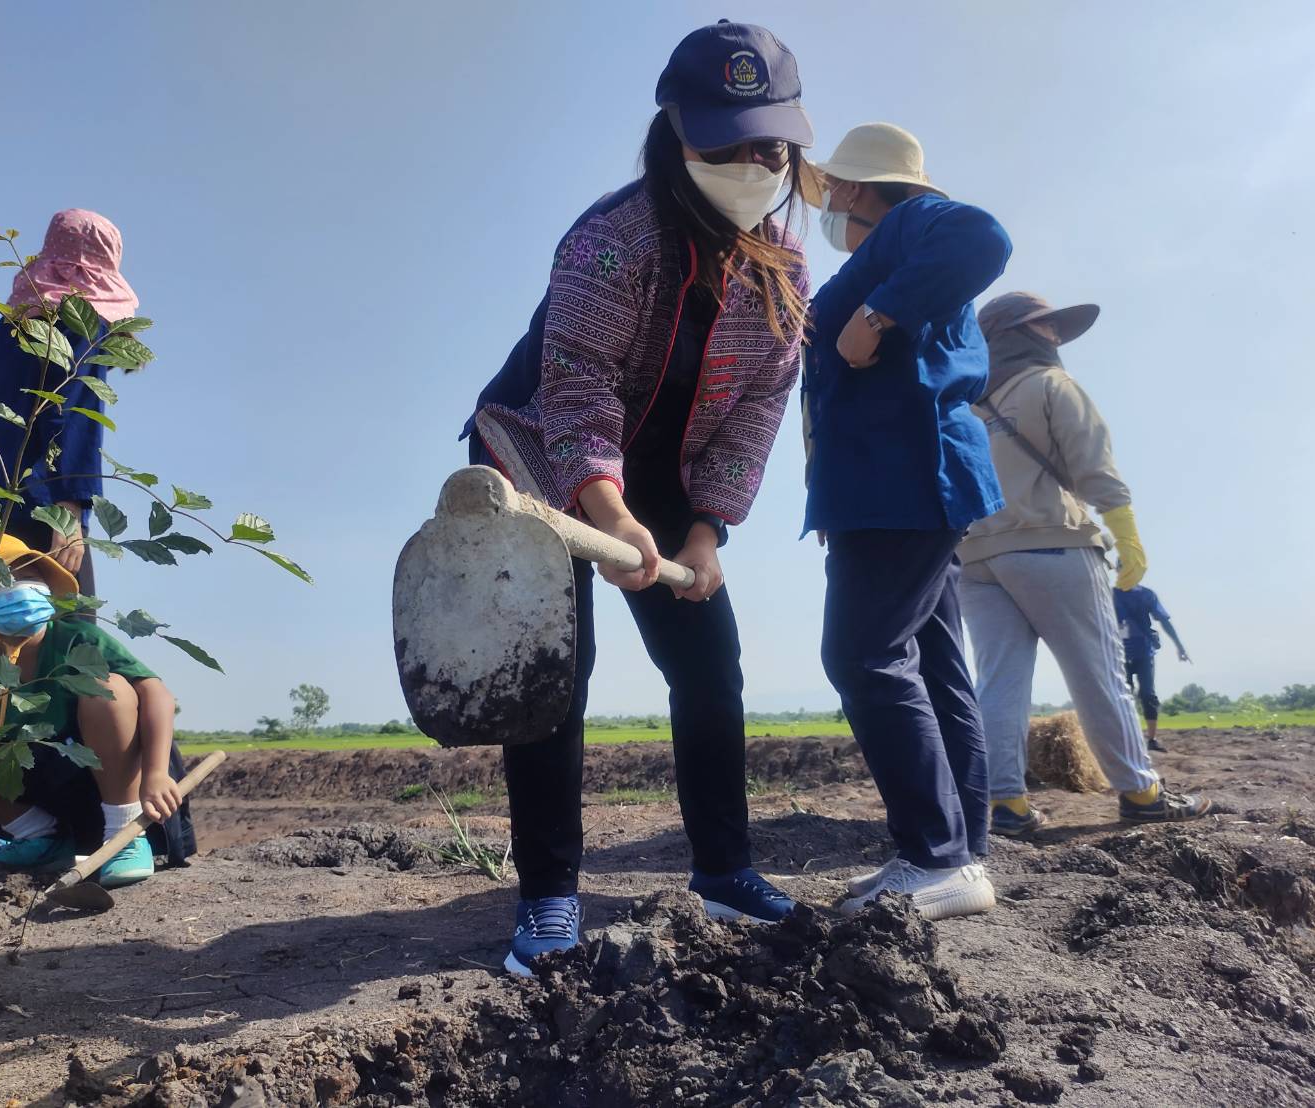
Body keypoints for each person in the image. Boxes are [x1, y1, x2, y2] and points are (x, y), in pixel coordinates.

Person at [464, 20, 812, 975]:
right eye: (725, 139)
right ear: (674, 127)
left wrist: (704, 532)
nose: (750, 161)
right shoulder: (611, 238)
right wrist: (605, 515)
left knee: (709, 663)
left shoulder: (782, 268)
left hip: (669, 475)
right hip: (537, 460)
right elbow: (573, 383)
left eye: (769, 145)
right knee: (551, 682)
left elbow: (756, 412)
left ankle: (724, 870)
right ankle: (545, 901)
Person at [802, 123, 1011, 920]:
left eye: (834, 193)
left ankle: (932, 854)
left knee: (861, 654)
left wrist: (878, 313)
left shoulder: (907, 228)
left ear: (855, 188)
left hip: (903, 480)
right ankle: (959, 849)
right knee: (931, 661)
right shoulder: (889, 252)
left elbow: (982, 235)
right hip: (896, 486)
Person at [956, 291, 1211, 835]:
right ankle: (1142, 792)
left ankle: (1006, 806)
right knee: (1099, 675)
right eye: (1047, 328)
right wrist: (1128, 535)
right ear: (1025, 333)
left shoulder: (964, 405)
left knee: (999, 681)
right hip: (1054, 545)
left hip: (975, 560)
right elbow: (1093, 466)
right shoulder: (1052, 386)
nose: (1056, 337)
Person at [0, 533, 194, 885]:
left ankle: (123, 838)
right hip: (52, 803)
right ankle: (39, 838)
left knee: (106, 688)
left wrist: (157, 773)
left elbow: (156, 693)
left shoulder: (79, 639)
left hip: (121, 789)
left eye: (29, 576)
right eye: (0, 581)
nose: (20, 587)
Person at [0, 208, 140, 597]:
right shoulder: (79, 321)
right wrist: (70, 505)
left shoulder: (8, 327)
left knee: (2, 632)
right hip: (44, 512)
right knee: (70, 641)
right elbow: (76, 414)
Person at [1113, 584, 1190, 752]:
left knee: (1148, 694)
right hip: (1118, 652)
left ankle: (1152, 739)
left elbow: (1163, 620)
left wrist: (1179, 646)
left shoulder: (1147, 595)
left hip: (1144, 651)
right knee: (1124, 696)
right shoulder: (1110, 594)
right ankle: (1128, 738)